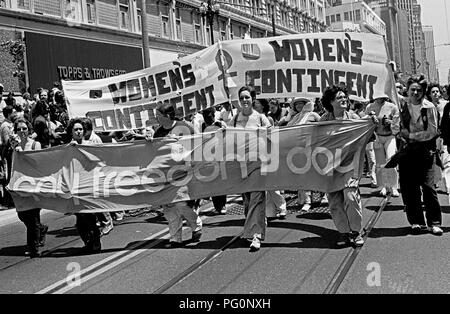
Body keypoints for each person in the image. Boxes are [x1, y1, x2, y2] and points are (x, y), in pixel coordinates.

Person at [319, 85, 366, 247]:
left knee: (351, 196)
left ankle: (356, 231)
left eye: (345, 97)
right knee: (335, 201)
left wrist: (371, 123)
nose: (344, 100)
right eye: (339, 98)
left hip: (350, 165)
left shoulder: (354, 117)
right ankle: (343, 231)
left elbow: (367, 136)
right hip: (331, 166)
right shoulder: (324, 120)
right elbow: (316, 141)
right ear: (331, 102)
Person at [397, 75, 443, 235]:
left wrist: (410, 136)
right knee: (410, 189)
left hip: (426, 153)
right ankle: (416, 221)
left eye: (419, 90)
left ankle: (434, 222)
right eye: (412, 90)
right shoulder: (401, 105)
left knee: (429, 188)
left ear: (424, 92)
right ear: (407, 91)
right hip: (407, 153)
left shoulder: (429, 107)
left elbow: (432, 131)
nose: (415, 93)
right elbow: (397, 128)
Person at [152, 102, 202, 248]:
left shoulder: (185, 127)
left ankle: (196, 224)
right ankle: (175, 237)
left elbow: (198, 143)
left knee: (181, 204)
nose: (156, 118)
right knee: (169, 208)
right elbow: (155, 152)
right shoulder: (158, 132)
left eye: (159, 115)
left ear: (167, 116)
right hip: (166, 175)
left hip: (184, 173)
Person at [229, 86, 271, 251]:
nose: (244, 100)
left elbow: (272, 136)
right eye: (241, 98)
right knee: (247, 200)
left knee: (256, 199)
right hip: (241, 166)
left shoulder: (261, 118)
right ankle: (253, 225)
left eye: (247, 97)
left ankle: (256, 235)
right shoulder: (234, 119)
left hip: (258, 164)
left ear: (253, 99)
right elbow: (225, 137)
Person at [12, 118, 48, 257]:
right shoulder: (14, 145)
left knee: (32, 215)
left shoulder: (35, 144)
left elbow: (36, 162)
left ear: (29, 129)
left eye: (24, 128)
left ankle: (33, 247)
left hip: (33, 185)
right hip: (19, 184)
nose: (22, 131)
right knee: (22, 214)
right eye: (19, 129)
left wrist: (22, 152)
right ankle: (41, 229)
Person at [68, 118, 102, 252]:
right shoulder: (67, 147)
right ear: (71, 132)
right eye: (75, 129)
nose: (78, 132)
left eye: (80, 129)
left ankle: (96, 242)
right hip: (75, 186)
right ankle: (88, 241)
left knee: (90, 216)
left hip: (89, 184)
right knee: (80, 218)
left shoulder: (90, 145)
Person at [287, 97, 326, 211]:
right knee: (304, 175)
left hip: (314, 148)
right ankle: (307, 200)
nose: (299, 106)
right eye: (297, 104)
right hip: (299, 150)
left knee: (318, 173)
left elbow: (323, 127)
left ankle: (323, 196)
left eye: (301, 104)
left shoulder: (313, 115)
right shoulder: (295, 118)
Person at [365, 96, 400, 197]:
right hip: (377, 136)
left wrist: (391, 122)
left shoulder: (392, 107)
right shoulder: (370, 107)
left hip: (390, 137)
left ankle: (393, 187)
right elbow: (365, 122)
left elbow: (397, 125)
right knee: (380, 163)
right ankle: (384, 186)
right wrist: (371, 119)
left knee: (391, 160)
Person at [201, 107, 228, 215]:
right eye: (205, 116)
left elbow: (228, 135)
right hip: (208, 157)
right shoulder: (202, 125)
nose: (207, 118)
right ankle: (217, 206)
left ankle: (223, 204)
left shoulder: (220, 124)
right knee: (212, 181)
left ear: (213, 114)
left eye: (209, 115)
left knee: (221, 181)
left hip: (220, 155)